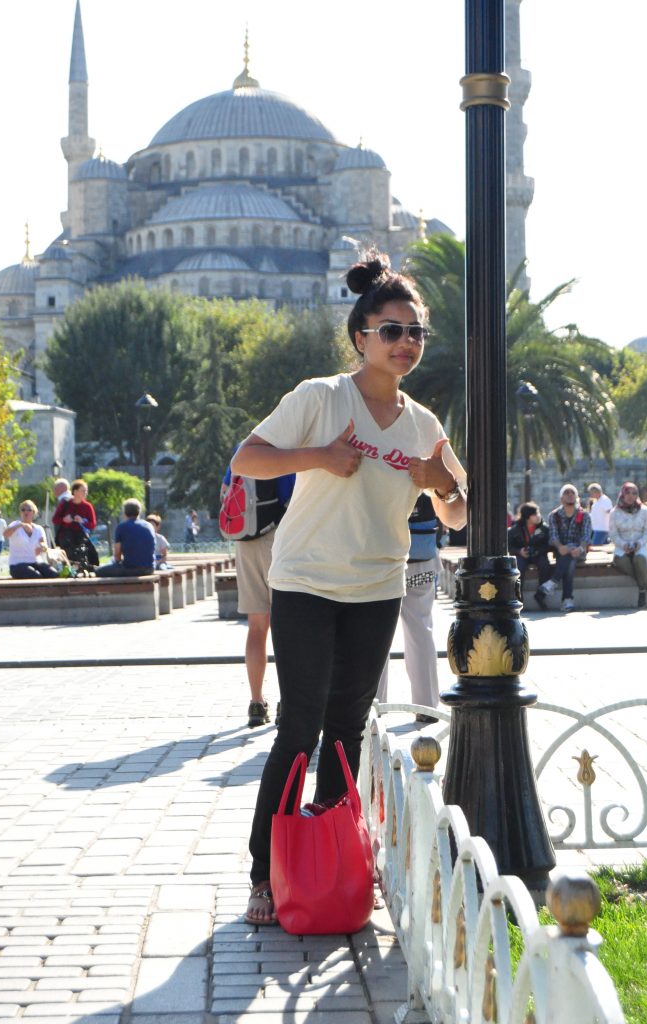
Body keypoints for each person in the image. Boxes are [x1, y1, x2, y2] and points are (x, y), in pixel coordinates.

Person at [232, 251, 466, 925]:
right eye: (392, 330)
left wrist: (441, 483)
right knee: (299, 728)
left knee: (347, 734)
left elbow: (458, 512)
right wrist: (319, 457)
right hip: (306, 582)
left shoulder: (423, 424)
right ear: (361, 334)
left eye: (416, 331)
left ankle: (329, 863)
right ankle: (266, 875)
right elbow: (247, 459)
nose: (406, 344)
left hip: (375, 589)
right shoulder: (322, 398)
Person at [220, 465, 295, 728]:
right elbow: (294, 499)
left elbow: (225, 494)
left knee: (256, 626)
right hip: (277, 539)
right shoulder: (285, 448)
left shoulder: (244, 449)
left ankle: (255, 702)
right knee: (285, 628)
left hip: (244, 540)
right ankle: (288, 701)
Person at [376, 493, 441, 723]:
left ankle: (375, 706)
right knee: (421, 631)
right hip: (422, 560)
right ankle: (427, 705)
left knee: (376, 634)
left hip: (383, 563)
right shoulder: (424, 473)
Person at [536, 484, 592, 613]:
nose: (570, 495)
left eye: (572, 493)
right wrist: (560, 547)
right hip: (561, 551)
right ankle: (567, 600)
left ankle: (552, 583)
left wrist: (579, 548)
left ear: (576, 497)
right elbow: (553, 535)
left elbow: (586, 536)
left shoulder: (584, 515)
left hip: (580, 551)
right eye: (566, 493)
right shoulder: (554, 515)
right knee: (569, 563)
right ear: (561, 498)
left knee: (571, 554)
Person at [609, 482, 647, 608]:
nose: (631, 496)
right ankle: (646, 583)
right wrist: (623, 544)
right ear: (622, 494)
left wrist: (640, 543)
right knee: (620, 561)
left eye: (634, 493)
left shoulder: (644, 510)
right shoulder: (614, 512)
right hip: (622, 546)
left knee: (639, 559)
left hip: (641, 544)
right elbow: (613, 534)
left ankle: (642, 592)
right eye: (628, 493)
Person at [507, 502, 552, 608]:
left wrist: (538, 551)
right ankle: (518, 597)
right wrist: (519, 551)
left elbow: (549, 545)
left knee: (545, 565)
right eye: (535, 514)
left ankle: (541, 594)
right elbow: (509, 546)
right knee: (518, 567)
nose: (538, 516)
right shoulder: (515, 529)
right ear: (528, 517)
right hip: (522, 556)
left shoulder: (544, 529)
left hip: (539, 555)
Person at [95, 499, 156, 577]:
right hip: (150, 568)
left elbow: (117, 555)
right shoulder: (149, 526)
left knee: (98, 571)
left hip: (131, 568)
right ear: (139, 512)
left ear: (125, 512)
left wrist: (117, 563)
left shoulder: (122, 527)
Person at [3, 500, 59, 579]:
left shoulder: (38, 528)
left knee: (53, 573)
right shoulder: (15, 525)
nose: (26, 512)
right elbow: (5, 534)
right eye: (23, 510)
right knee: (36, 576)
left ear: (33, 512)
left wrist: (42, 547)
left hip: (35, 562)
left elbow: (43, 543)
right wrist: (21, 525)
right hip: (17, 565)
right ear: (20, 513)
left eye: (29, 510)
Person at [52, 479, 99, 567]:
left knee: (91, 554)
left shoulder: (87, 506)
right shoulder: (65, 503)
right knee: (70, 556)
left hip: (81, 535)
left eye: (86, 491)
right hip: (66, 536)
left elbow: (92, 524)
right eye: (83, 491)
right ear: (75, 491)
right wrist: (64, 519)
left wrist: (82, 522)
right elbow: (55, 520)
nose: (86, 493)